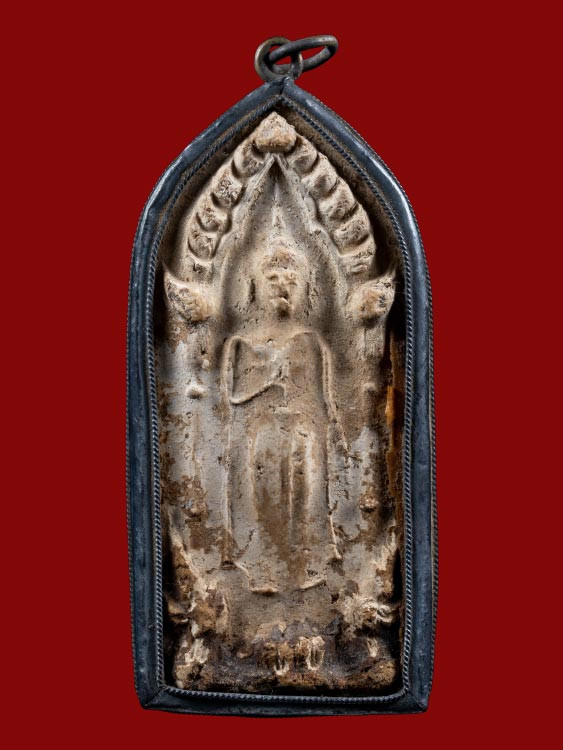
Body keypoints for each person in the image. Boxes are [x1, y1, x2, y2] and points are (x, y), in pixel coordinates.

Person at [221, 240, 344, 593]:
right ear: (255, 287)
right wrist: (268, 380)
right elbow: (232, 397)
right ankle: (263, 571)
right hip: (261, 437)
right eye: (272, 278)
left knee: (303, 499)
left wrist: (332, 433)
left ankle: (304, 568)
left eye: (291, 279)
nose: (282, 286)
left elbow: (325, 402)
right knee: (265, 500)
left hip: (302, 436)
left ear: (305, 287)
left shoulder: (311, 342)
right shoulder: (241, 343)